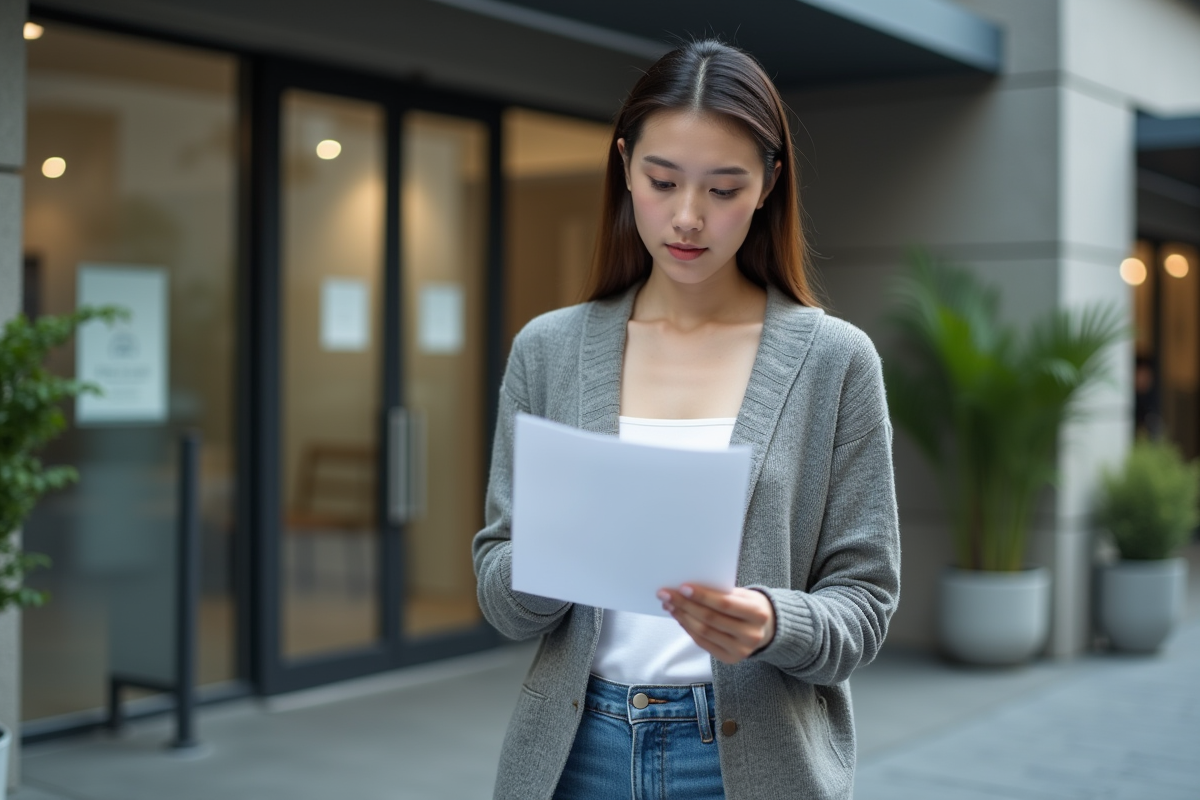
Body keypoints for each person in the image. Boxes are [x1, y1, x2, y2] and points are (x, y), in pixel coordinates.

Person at [473, 39, 900, 800]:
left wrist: (772, 622)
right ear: (625, 166)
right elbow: (501, 587)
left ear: (770, 185)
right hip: (577, 753)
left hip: (751, 760)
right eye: (662, 181)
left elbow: (865, 605)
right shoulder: (549, 350)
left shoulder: (835, 361)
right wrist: (557, 557)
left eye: (724, 189)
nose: (688, 218)